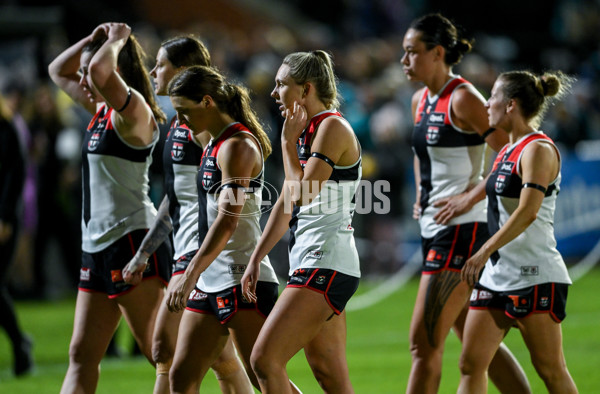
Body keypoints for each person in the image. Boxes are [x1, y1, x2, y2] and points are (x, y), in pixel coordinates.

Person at [402, 13, 531, 393]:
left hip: (463, 231)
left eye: (412, 52)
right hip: (435, 226)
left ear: (438, 52)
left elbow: (512, 154)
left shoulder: (463, 98)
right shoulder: (419, 100)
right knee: (471, 342)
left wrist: (468, 196)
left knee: (422, 343)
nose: (404, 61)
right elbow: (420, 154)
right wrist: (421, 196)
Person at [122, 35, 252, 394]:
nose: (152, 71)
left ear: (183, 71)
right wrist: (145, 252)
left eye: (161, 64)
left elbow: (227, 208)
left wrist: (193, 265)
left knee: (167, 350)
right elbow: (177, 198)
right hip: (190, 252)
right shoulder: (185, 123)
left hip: (206, 254)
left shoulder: (209, 128)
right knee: (222, 362)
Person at [48, 22, 172, 393]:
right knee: (82, 354)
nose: (84, 79)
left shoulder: (133, 112)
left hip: (130, 241)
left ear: (116, 69)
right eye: (84, 73)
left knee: (161, 354)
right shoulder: (102, 108)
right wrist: (92, 40)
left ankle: (229, 370)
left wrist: (118, 39)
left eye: (90, 71)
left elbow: (101, 70)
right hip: (96, 246)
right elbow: (58, 70)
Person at [164, 65, 293, 394]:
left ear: (207, 102)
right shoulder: (213, 142)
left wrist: (190, 272)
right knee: (181, 377)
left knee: (265, 378)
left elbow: (228, 219)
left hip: (240, 279)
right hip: (211, 281)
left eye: (183, 111)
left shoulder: (238, 146)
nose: (180, 121)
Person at [241, 50, 362, 393]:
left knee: (264, 360)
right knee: (330, 376)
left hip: (325, 263)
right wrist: (256, 257)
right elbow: (285, 204)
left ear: (306, 89)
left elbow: (303, 195)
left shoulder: (332, 127)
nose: (274, 93)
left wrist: (286, 142)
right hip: (313, 261)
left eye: (282, 85)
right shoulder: (310, 130)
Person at [457, 70, 578, 393]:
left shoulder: (537, 149)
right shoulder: (507, 150)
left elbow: (528, 211)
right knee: (471, 364)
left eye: (492, 96)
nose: (486, 104)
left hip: (534, 274)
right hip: (498, 274)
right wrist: (464, 199)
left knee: (551, 371)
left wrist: (483, 251)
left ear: (510, 105)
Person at [0, 93, 34, 377]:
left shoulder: (7, 127)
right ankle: (20, 344)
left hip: (4, 220)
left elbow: (16, 174)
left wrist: (5, 216)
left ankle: (20, 345)